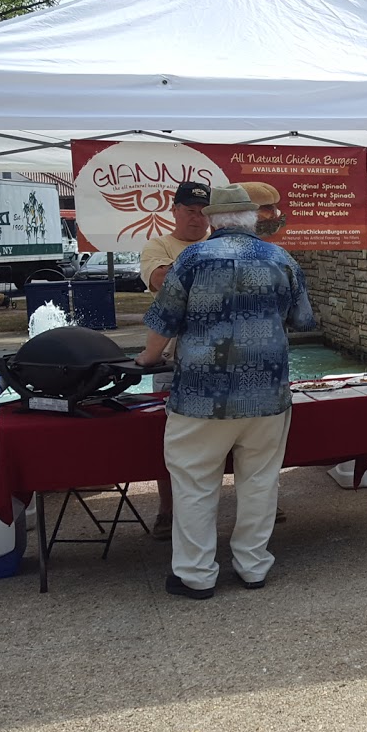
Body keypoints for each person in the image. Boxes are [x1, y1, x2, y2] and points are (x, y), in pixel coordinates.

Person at [134, 184, 316, 599]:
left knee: (195, 482)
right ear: (253, 219)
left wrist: (147, 358)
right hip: (267, 394)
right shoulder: (282, 258)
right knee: (260, 481)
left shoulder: (191, 258)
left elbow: (164, 320)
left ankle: (196, 575)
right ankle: (253, 567)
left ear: (214, 219)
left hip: (201, 394)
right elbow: (303, 320)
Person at [136, 180, 214, 541]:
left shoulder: (221, 240)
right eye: (189, 211)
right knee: (168, 437)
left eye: (203, 212)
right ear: (175, 211)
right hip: (171, 358)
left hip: (219, 357)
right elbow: (160, 279)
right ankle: (167, 509)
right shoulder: (158, 245)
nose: (196, 218)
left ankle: (256, 503)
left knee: (238, 432)